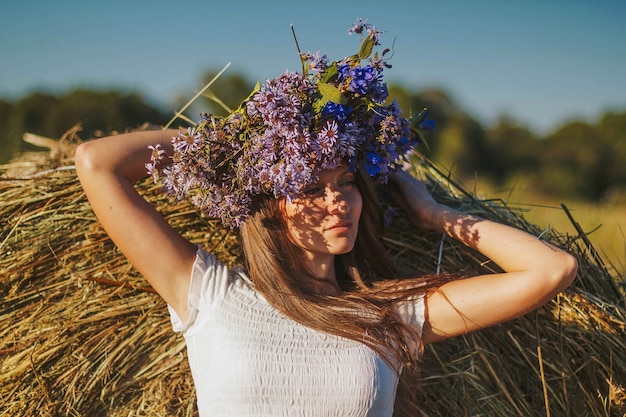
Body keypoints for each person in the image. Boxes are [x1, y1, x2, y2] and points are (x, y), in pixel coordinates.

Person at [75, 20, 577, 417]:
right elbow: (97, 163)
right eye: (312, 187)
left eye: (349, 184)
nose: (339, 202)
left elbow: (551, 270)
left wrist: (433, 213)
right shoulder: (210, 295)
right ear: (270, 201)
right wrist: (243, 146)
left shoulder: (390, 318)